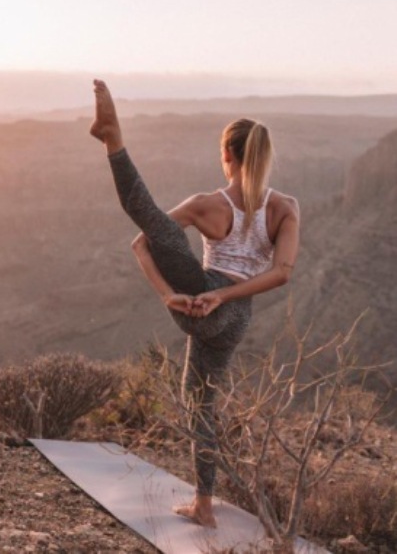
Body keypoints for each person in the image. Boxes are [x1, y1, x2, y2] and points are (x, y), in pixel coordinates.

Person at [89, 79, 300, 528]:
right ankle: (203, 505)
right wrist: (214, 297)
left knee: (152, 219)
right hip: (235, 316)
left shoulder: (207, 204)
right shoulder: (287, 208)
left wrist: (175, 295)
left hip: (202, 299)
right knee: (202, 404)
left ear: (227, 155)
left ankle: (113, 140)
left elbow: (142, 243)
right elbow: (281, 273)